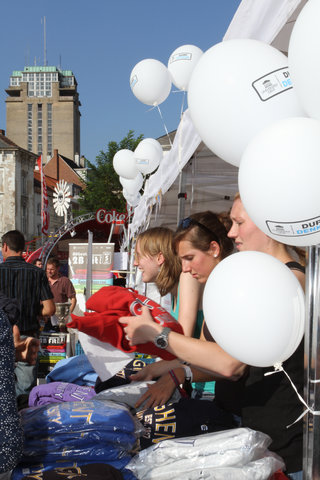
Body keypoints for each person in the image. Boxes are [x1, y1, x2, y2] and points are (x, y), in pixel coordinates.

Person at [119, 198, 305, 479]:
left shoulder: (289, 280)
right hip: (251, 434)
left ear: (267, 225)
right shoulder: (254, 279)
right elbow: (223, 358)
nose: (231, 232)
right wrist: (175, 370)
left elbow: (231, 365)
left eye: (239, 223)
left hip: (282, 446)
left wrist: (159, 337)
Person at [132, 226, 215, 408]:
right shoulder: (174, 289)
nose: (135, 264)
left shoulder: (187, 277)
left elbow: (181, 339)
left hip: (208, 387)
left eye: (139, 256)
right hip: (195, 382)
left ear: (160, 258)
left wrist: (150, 333)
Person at [0, 230, 55, 397]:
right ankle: (23, 420)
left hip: (2, 336)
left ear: (5, 247)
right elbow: (50, 309)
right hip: (28, 336)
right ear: (23, 248)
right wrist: (32, 310)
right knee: (24, 391)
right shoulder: (37, 273)